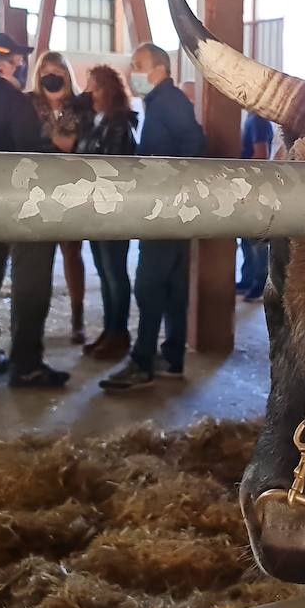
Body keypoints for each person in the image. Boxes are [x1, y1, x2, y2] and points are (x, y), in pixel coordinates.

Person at [0, 33, 70, 388]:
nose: (21, 66)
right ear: (3, 63)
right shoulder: (16, 102)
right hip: (21, 204)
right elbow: (30, 154)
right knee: (30, 280)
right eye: (18, 61)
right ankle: (27, 363)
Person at [100, 43, 207, 391]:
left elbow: (195, 143)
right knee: (174, 286)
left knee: (148, 284)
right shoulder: (158, 102)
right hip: (171, 210)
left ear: (160, 68)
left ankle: (142, 361)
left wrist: (174, 186)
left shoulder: (170, 102)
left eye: (139, 64)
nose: (133, 72)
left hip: (166, 209)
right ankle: (171, 357)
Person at [28, 51, 92, 344]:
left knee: (72, 253)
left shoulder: (80, 106)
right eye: (45, 71)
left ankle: (77, 318)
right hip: (37, 188)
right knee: (38, 258)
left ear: (67, 73)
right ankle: (33, 323)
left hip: (71, 187)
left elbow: (74, 145)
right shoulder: (28, 104)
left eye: (57, 70)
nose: (50, 76)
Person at [77, 64, 139, 363]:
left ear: (109, 90)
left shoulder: (119, 124)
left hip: (113, 210)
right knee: (104, 273)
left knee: (115, 273)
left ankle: (120, 333)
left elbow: (110, 167)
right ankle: (109, 330)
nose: (89, 92)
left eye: (95, 87)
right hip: (92, 209)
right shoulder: (94, 121)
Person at [235, 110, 274, 302]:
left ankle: (259, 284)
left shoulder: (258, 120)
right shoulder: (253, 119)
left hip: (254, 187)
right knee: (246, 240)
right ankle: (247, 279)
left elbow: (261, 155)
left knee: (256, 242)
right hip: (248, 186)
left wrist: (238, 168)